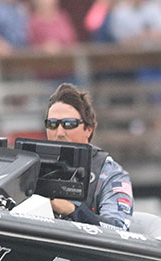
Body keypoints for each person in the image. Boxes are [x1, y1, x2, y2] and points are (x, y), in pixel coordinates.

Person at [45, 83, 134, 231]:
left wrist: (72, 210)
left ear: (88, 129)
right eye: (52, 124)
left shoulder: (110, 174)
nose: (59, 133)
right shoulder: (29, 167)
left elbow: (118, 228)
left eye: (69, 124)